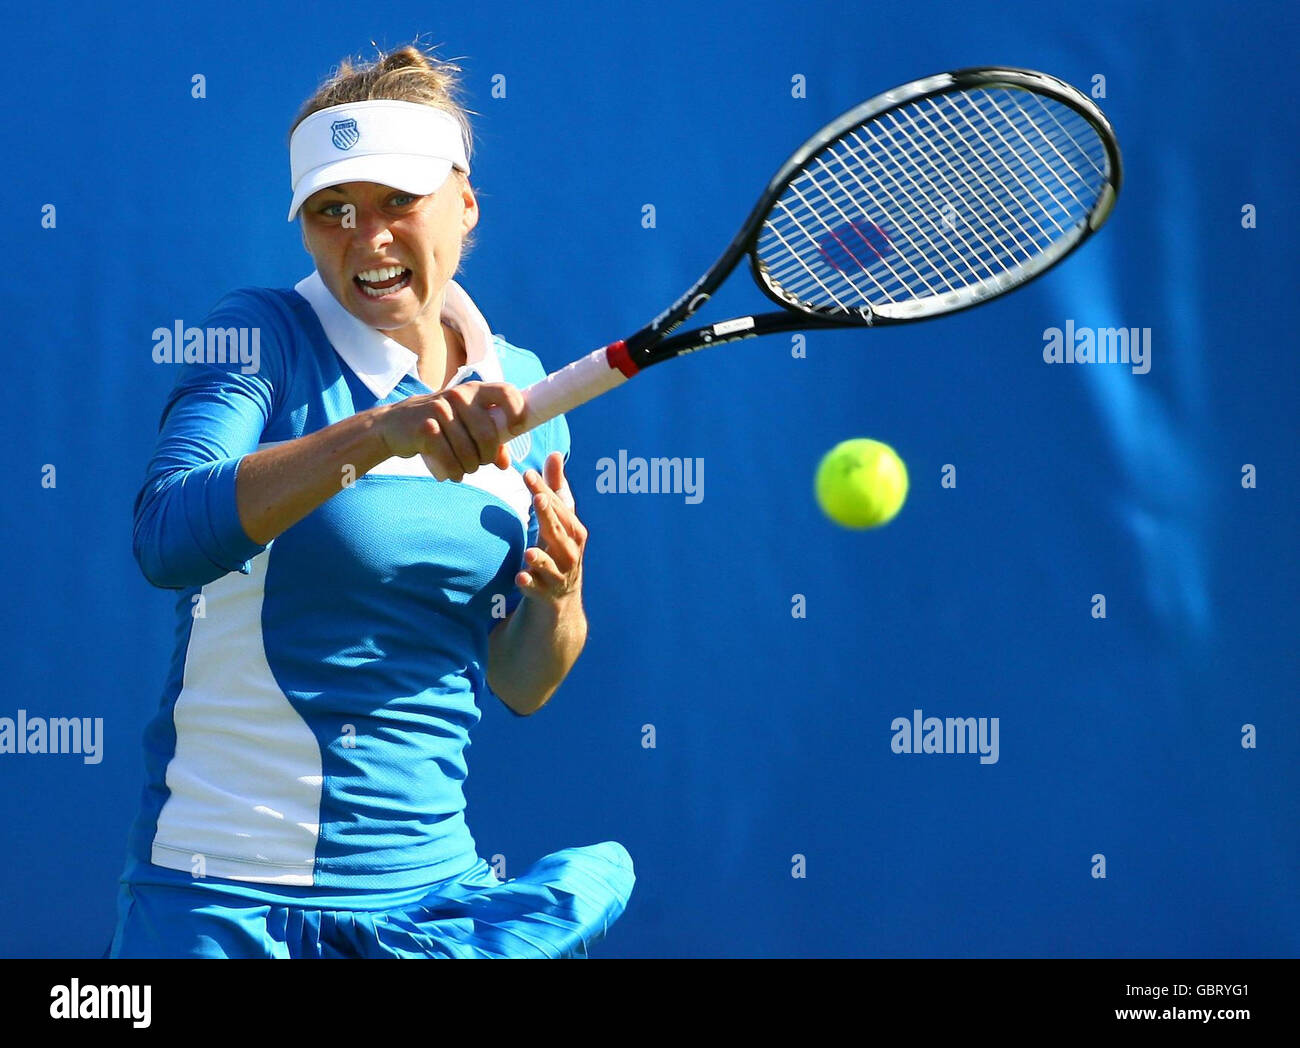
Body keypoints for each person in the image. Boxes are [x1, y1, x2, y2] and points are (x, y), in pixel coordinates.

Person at [108, 43, 634, 959]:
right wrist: (378, 434)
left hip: (433, 896)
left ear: (465, 205)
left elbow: (522, 683)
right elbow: (165, 534)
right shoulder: (259, 336)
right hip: (228, 902)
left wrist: (558, 598)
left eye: (399, 201)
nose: (369, 237)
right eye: (333, 211)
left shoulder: (523, 390)